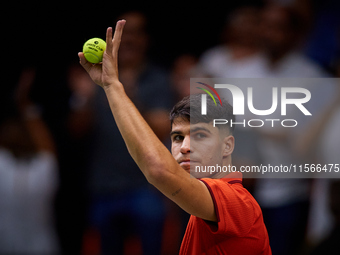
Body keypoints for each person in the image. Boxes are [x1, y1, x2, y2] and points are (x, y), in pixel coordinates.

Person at [78, 20, 271, 254]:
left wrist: (112, 86)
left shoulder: (235, 200)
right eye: (177, 138)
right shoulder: (197, 210)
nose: (185, 147)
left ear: (227, 146)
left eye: (200, 135)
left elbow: (158, 169)